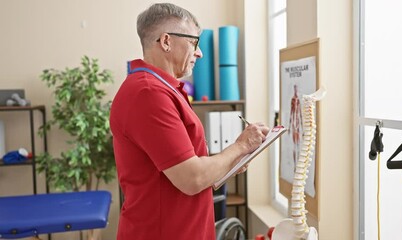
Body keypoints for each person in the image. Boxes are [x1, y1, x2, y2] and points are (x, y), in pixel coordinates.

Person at [109, 3, 270, 240]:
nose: (199, 52)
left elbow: (186, 166)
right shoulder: (148, 94)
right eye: (194, 42)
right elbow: (191, 178)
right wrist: (241, 146)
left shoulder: (163, 89)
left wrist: (231, 160)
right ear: (166, 41)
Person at [289, 84, 302, 171]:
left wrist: (303, 129)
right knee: (294, 146)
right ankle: (295, 165)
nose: (296, 90)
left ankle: (298, 165)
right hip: (294, 125)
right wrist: (289, 127)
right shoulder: (293, 100)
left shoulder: (298, 100)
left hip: (298, 126)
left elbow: (300, 113)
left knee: (298, 145)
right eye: (295, 88)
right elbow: (291, 113)